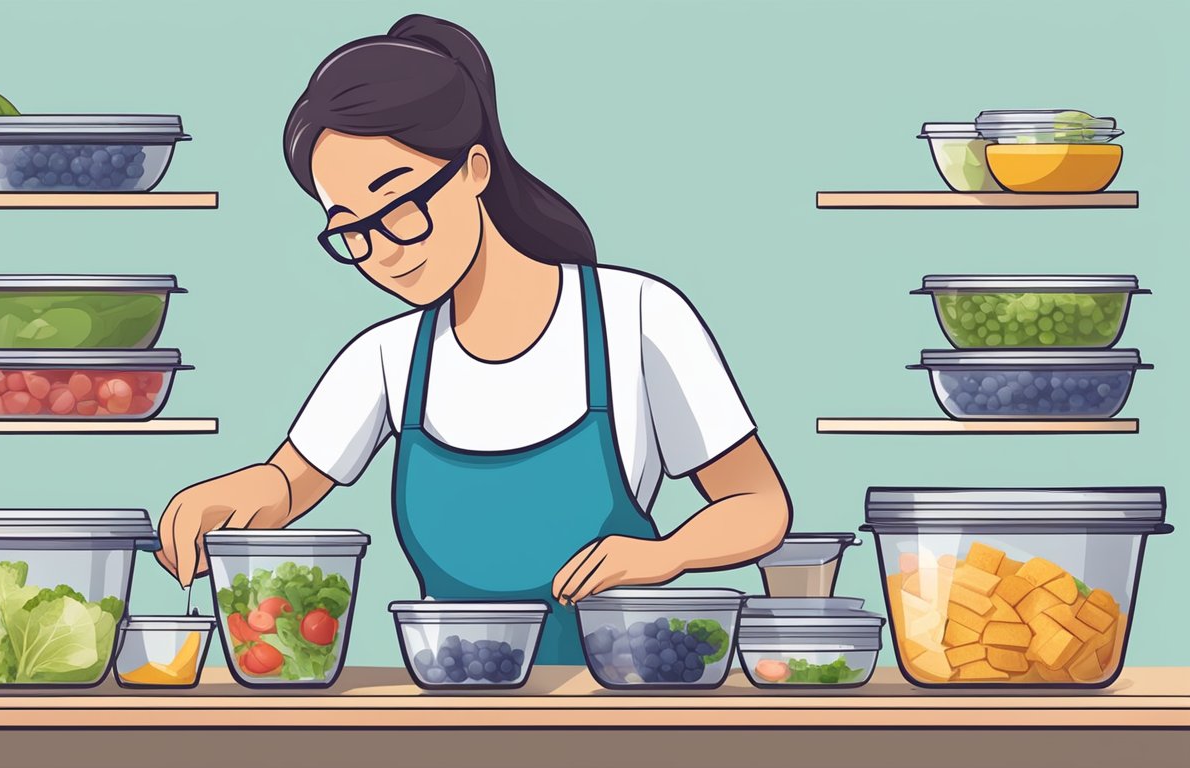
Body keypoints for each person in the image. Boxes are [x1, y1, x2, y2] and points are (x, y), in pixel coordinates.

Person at [156, 14, 792, 664]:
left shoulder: (637, 318)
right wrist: (234, 496)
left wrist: (667, 556)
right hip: (453, 706)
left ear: (474, 170)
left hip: (612, 700)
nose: (383, 254)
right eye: (352, 231)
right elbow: (288, 484)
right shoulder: (385, 360)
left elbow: (760, 504)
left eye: (398, 206)